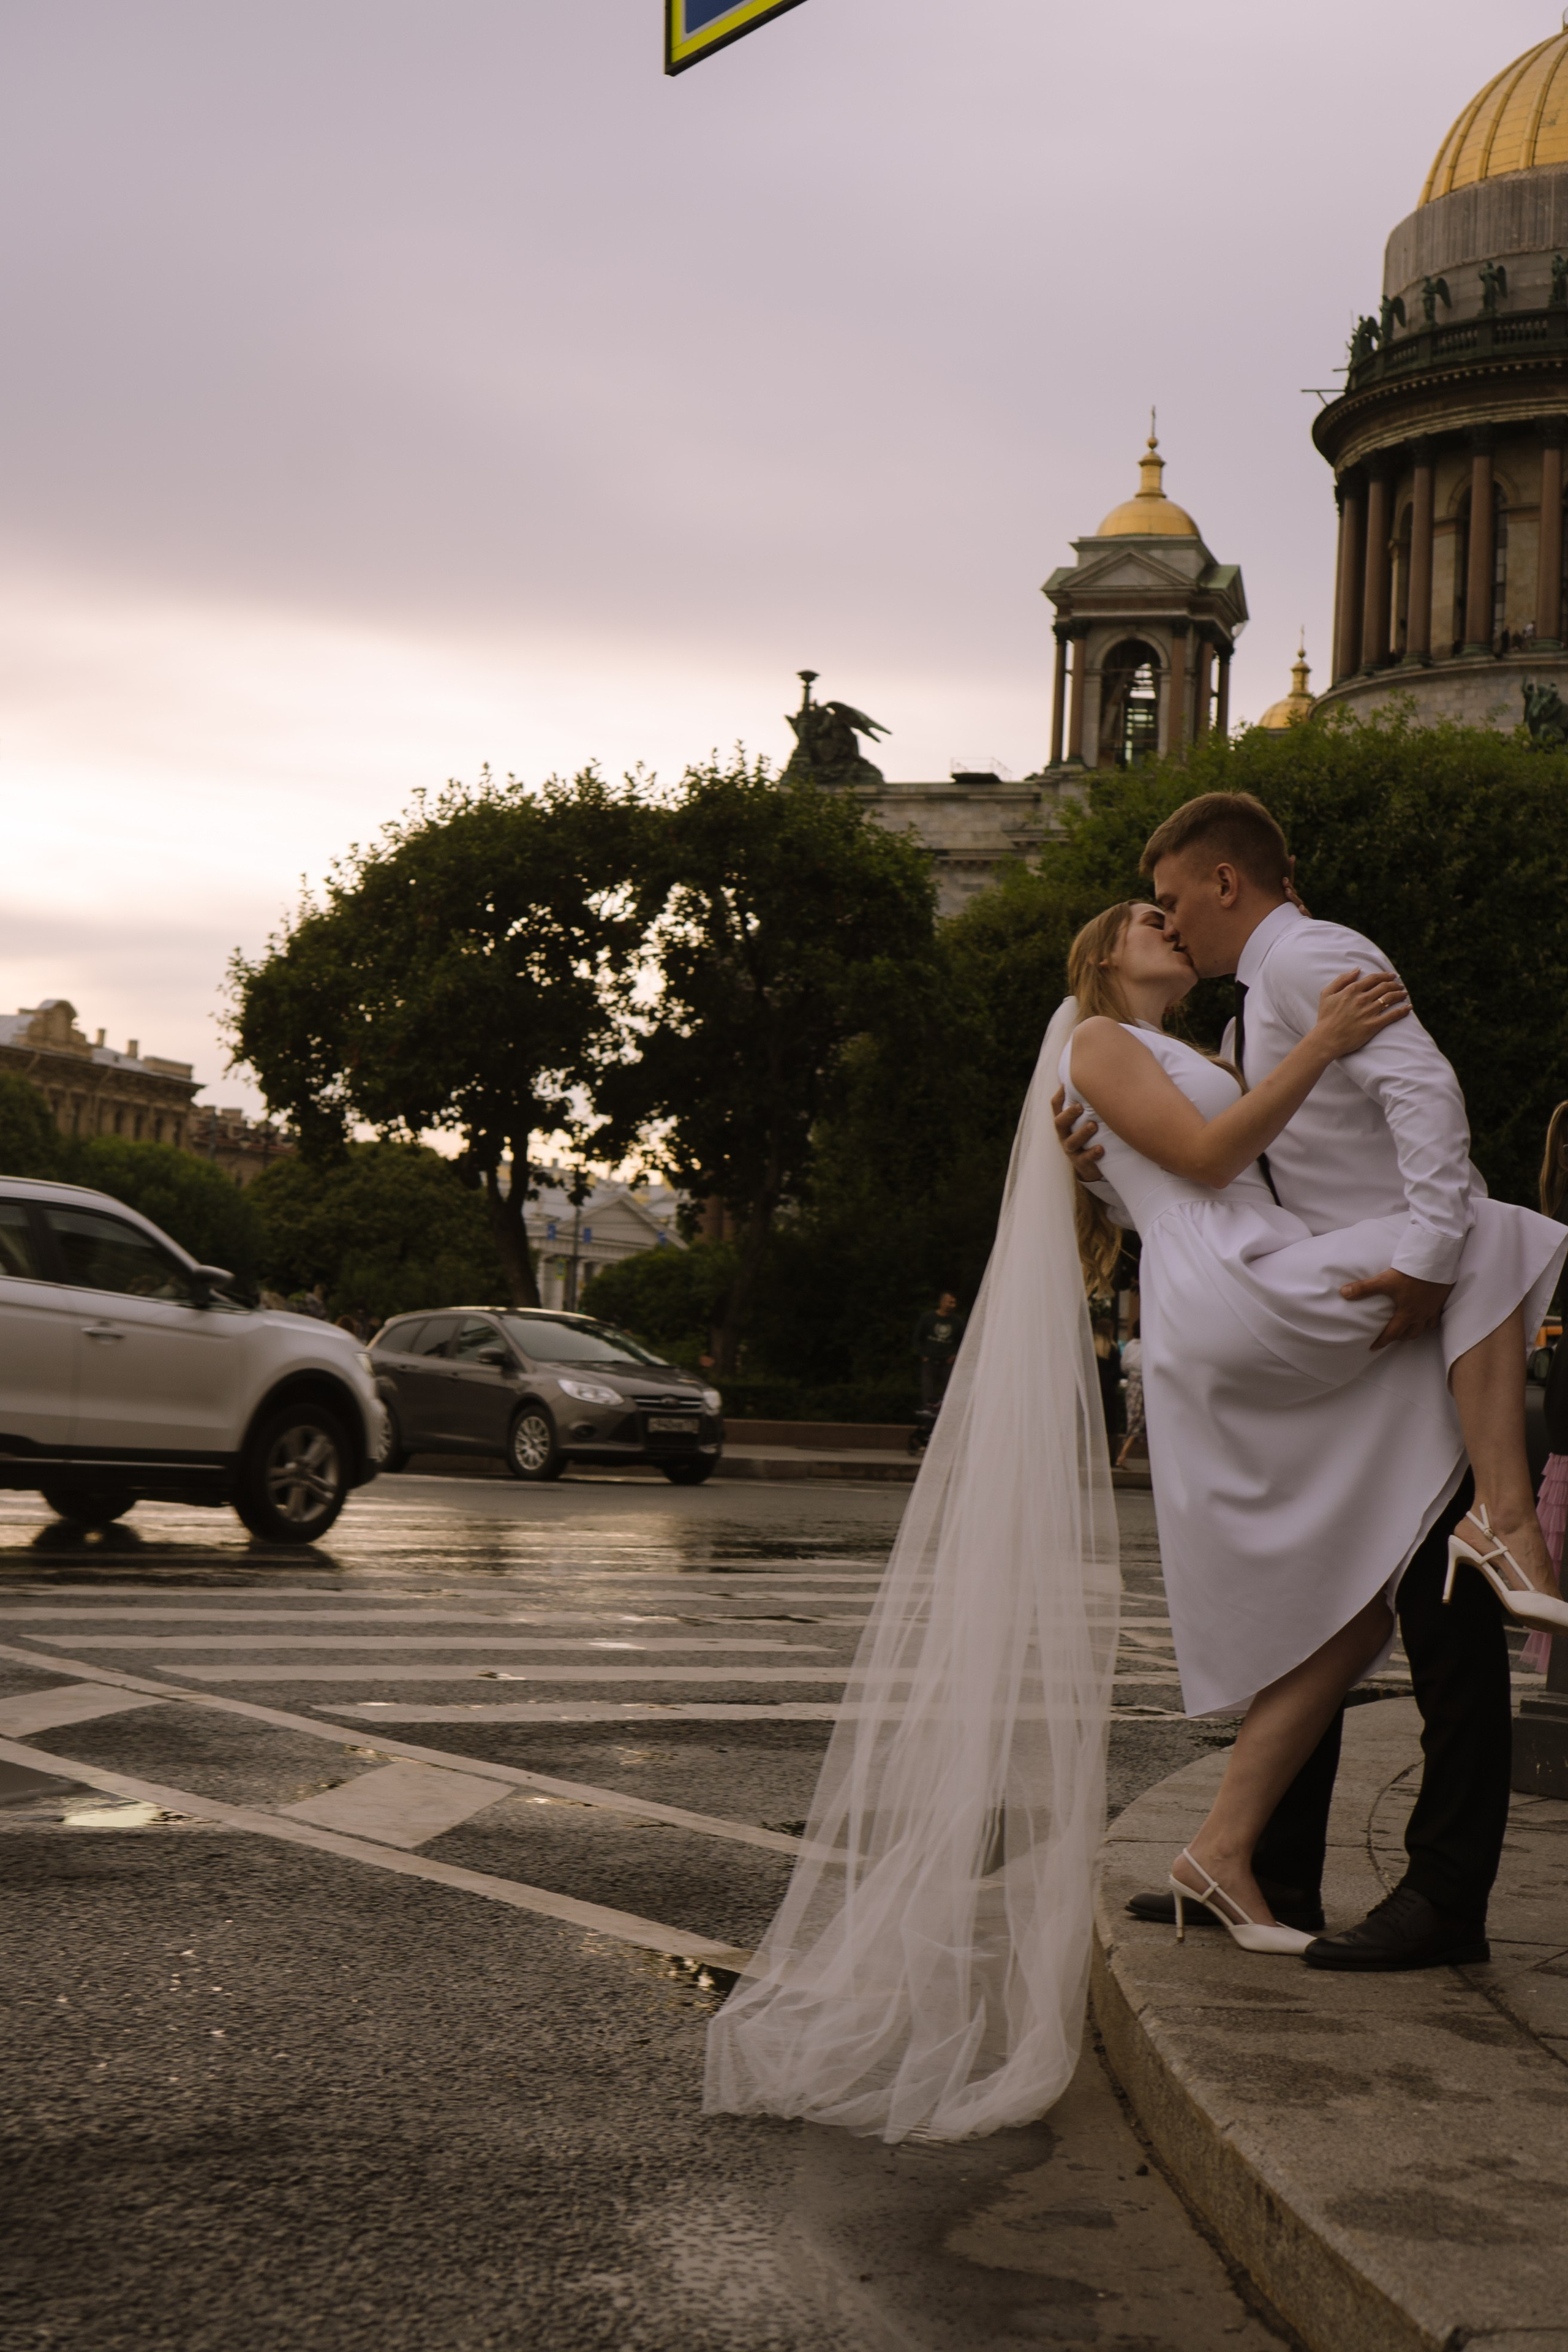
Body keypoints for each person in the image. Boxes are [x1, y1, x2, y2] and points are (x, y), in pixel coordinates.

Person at [1059, 791, 1567, 1969]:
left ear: (1225, 883)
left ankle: (1340, 1875)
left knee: (1381, 1602)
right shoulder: (1223, 1028)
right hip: (1324, 1308)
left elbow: (1423, 1100)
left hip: (1356, 1307)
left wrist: (1429, 1258)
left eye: (1175, 897)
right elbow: (1209, 1173)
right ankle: (1295, 1862)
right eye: (1151, 916)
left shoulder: (1310, 963)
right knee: (1372, 1595)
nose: (1172, 923)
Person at [913, 1291, 965, 1409]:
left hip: (947, 1364)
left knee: (950, 1393)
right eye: (950, 1302)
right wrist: (923, 1355)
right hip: (930, 1363)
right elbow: (917, 1338)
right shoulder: (928, 1318)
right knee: (928, 1394)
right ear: (942, 1303)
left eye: (954, 1303)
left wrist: (955, 1355)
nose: (953, 1305)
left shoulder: (957, 1321)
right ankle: (928, 1424)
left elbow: (963, 1340)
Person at [1115, 1322, 1144, 1471]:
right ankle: (1123, 1454)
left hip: (1133, 1381)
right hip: (1142, 1380)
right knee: (1138, 1420)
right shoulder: (1147, 1346)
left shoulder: (1130, 1345)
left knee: (1133, 1418)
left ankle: (1123, 1454)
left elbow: (1124, 1365)